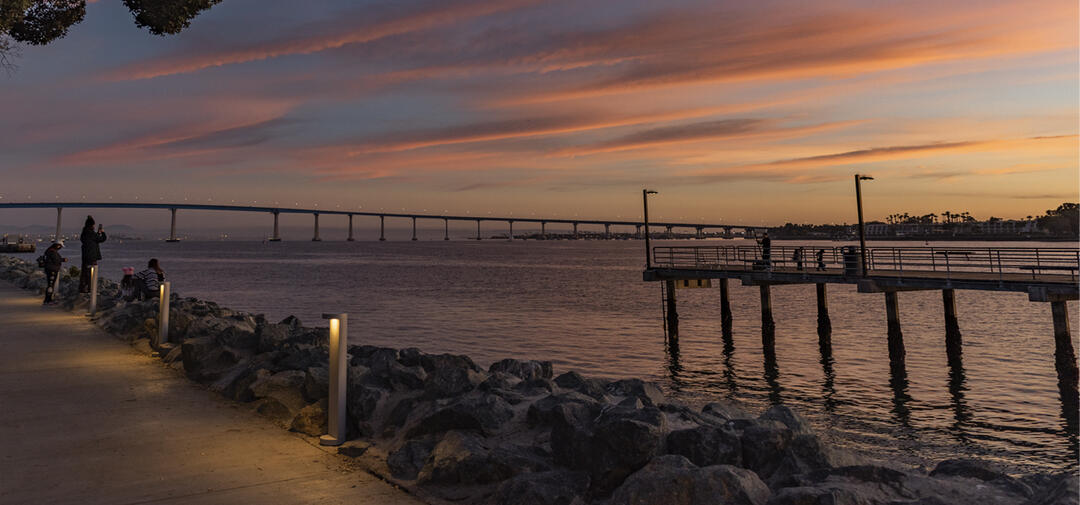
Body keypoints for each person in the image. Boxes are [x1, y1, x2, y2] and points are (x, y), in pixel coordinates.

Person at [79, 216, 107, 293]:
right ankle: (91, 289)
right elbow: (102, 239)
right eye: (93, 225)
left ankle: (83, 288)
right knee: (91, 273)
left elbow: (94, 240)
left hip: (85, 256)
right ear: (91, 225)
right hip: (92, 257)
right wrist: (102, 232)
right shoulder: (91, 233)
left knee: (84, 272)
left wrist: (97, 233)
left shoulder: (84, 233)